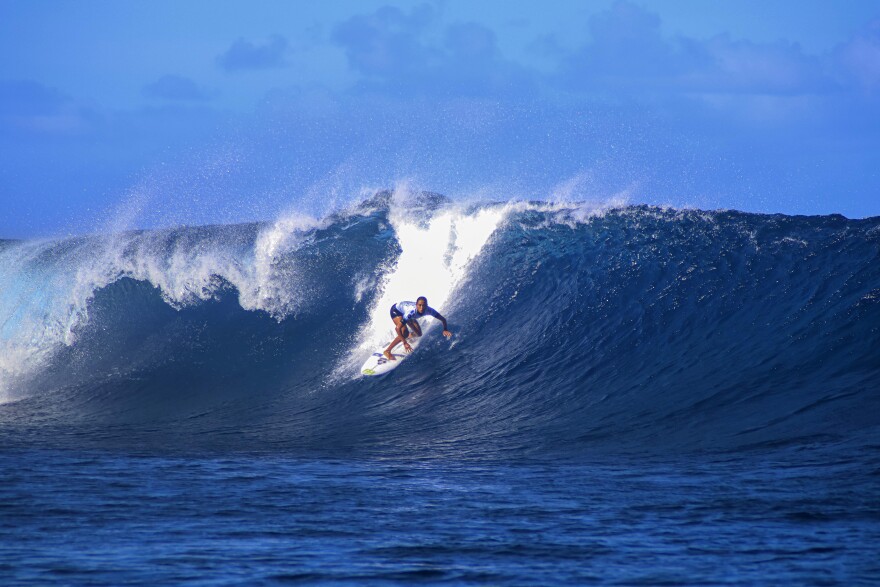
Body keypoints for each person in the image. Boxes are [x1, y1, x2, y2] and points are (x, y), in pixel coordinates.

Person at [384, 296, 452, 360]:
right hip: (396, 310)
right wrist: (405, 343)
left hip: (407, 312)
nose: (422, 308)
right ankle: (387, 350)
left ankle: (406, 336)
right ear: (416, 305)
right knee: (404, 332)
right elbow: (397, 328)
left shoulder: (430, 310)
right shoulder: (411, 312)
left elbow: (443, 319)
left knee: (419, 334)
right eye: (419, 305)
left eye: (424, 305)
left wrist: (445, 329)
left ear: (427, 305)